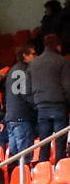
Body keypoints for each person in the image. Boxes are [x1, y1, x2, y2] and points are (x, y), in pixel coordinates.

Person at [30, 34, 70, 162]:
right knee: (60, 143)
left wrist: (35, 103)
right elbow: (68, 86)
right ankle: (60, 170)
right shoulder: (63, 61)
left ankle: (43, 170)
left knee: (44, 143)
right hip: (59, 105)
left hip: (41, 107)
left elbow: (28, 88)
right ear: (58, 46)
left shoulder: (34, 64)